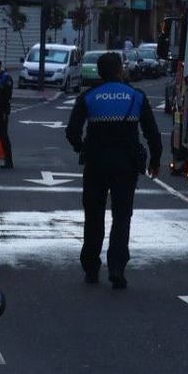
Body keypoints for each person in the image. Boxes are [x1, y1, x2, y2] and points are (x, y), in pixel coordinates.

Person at [65, 51, 161, 289]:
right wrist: (155, 159)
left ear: (99, 72)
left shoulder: (89, 97)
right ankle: (117, 267)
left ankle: (91, 266)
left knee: (94, 215)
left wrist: (83, 148)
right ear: (120, 70)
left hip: (96, 164)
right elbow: (151, 132)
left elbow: (72, 131)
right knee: (122, 217)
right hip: (126, 165)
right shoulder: (136, 96)